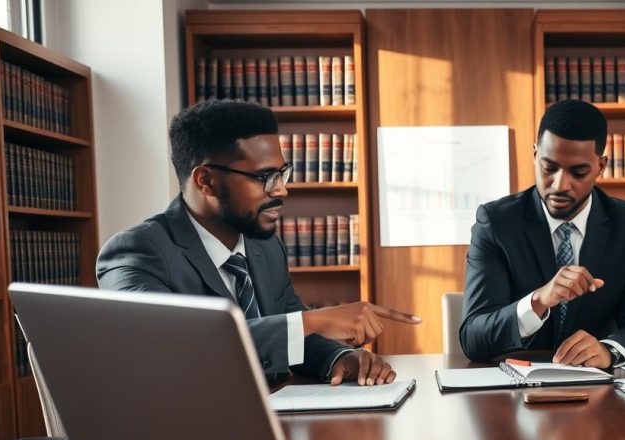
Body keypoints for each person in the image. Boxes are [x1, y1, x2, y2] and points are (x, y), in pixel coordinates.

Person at [97, 100, 421, 385]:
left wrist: (342, 358)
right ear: (205, 181)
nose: (281, 190)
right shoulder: (136, 252)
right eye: (265, 177)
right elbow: (168, 347)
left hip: (277, 422)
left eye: (283, 173)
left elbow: (293, 337)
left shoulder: (264, 246)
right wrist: (315, 320)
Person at [460, 99, 625, 367]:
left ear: (601, 166)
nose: (559, 184)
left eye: (578, 172)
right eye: (548, 168)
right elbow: (473, 336)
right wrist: (538, 300)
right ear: (534, 155)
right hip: (513, 393)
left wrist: (608, 351)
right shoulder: (496, 223)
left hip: (600, 391)